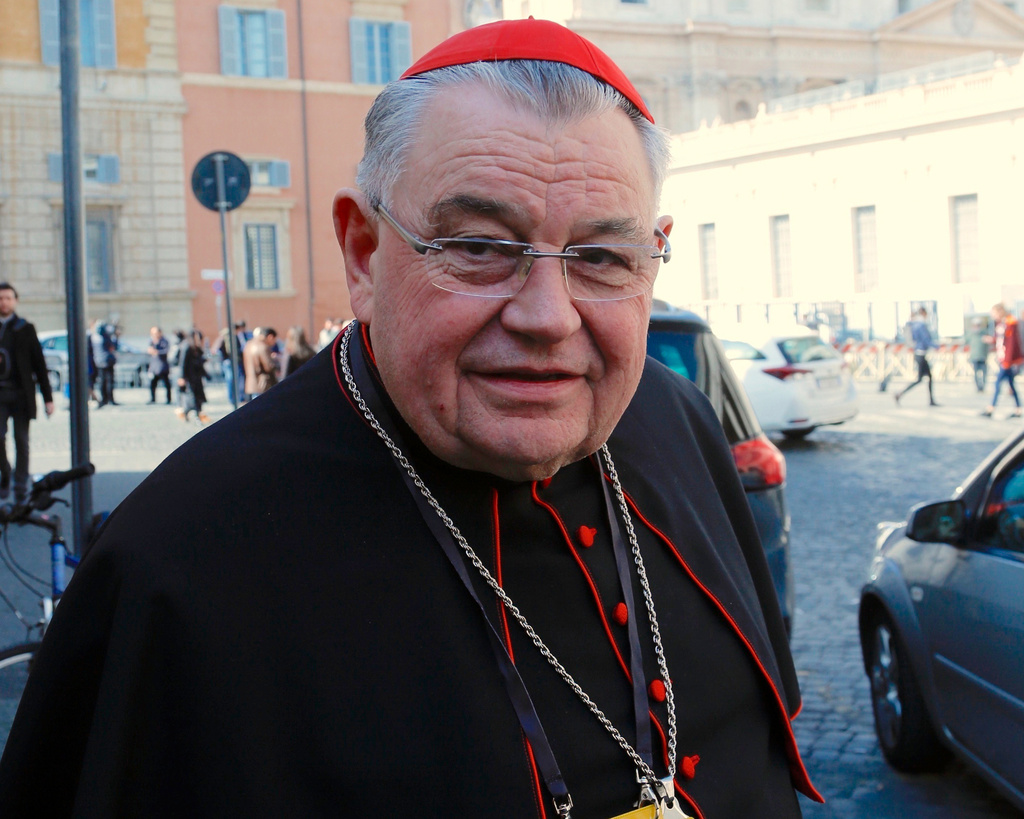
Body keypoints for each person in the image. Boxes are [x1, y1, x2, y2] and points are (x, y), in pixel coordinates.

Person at [0, 19, 821, 818]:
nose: (548, 316)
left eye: (601, 258)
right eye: (478, 245)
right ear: (363, 252)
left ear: (653, 255)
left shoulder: (675, 419)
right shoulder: (180, 557)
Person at [0, 283, 53, 504]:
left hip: (21, 395)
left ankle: (21, 483)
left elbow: (39, 364)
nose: (4, 302)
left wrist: (48, 398)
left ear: (15, 301)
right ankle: (6, 475)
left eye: (8, 298)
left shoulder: (25, 328)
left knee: (21, 440)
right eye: (1, 298)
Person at [981, 302, 1023, 418]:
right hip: (1004, 358)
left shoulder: (1011, 322)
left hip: (1008, 361)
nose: (993, 316)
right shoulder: (1001, 324)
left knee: (998, 383)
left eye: (994, 313)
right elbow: (1000, 339)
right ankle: (1018, 408)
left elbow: (1012, 344)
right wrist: (991, 340)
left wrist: (1008, 361)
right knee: (1011, 385)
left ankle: (991, 408)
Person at [893, 307, 938, 407]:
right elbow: (925, 339)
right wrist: (937, 347)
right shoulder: (920, 325)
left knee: (928, 377)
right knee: (920, 379)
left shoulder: (914, 324)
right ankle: (899, 394)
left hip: (918, 353)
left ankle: (931, 400)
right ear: (923, 313)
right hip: (920, 353)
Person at [174, 329, 210, 424]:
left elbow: (199, 362)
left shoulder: (196, 347)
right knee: (192, 396)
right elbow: (183, 362)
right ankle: (196, 415)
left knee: (198, 396)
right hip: (189, 376)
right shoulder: (187, 346)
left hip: (197, 376)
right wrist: (181, 377)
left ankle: (189, 412)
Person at [242, 326, 278, 399]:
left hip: (251, 383)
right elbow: (268, 366)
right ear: (270, 337)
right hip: (263, 384)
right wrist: (276, 363)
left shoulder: (248, 345)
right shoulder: (263, 347)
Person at [89, 318, 118, 407]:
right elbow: (113, 347)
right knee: (109, 381)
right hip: (107, 361)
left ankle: (104, 399)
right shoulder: (105, 337)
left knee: (102, 381)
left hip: (98, 361)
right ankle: (110, 399)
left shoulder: (94, 337)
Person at [146, 325, 172, 404]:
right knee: (152, 384)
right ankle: (153, 398)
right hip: (154, 367)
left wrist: (157, 352)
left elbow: (166, 351)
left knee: (166, 384)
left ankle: (168, 399)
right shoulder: (151, 341)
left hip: (162, 366)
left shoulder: (164, 341)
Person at [965, 316, 990, 393]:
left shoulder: (984, 333)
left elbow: (988, 344)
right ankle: (978, 387)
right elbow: (966, 342)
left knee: (984, 373)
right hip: (974, 356)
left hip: (982, 356)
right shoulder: (971, 334)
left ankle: (982, 386)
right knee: (976, 373)